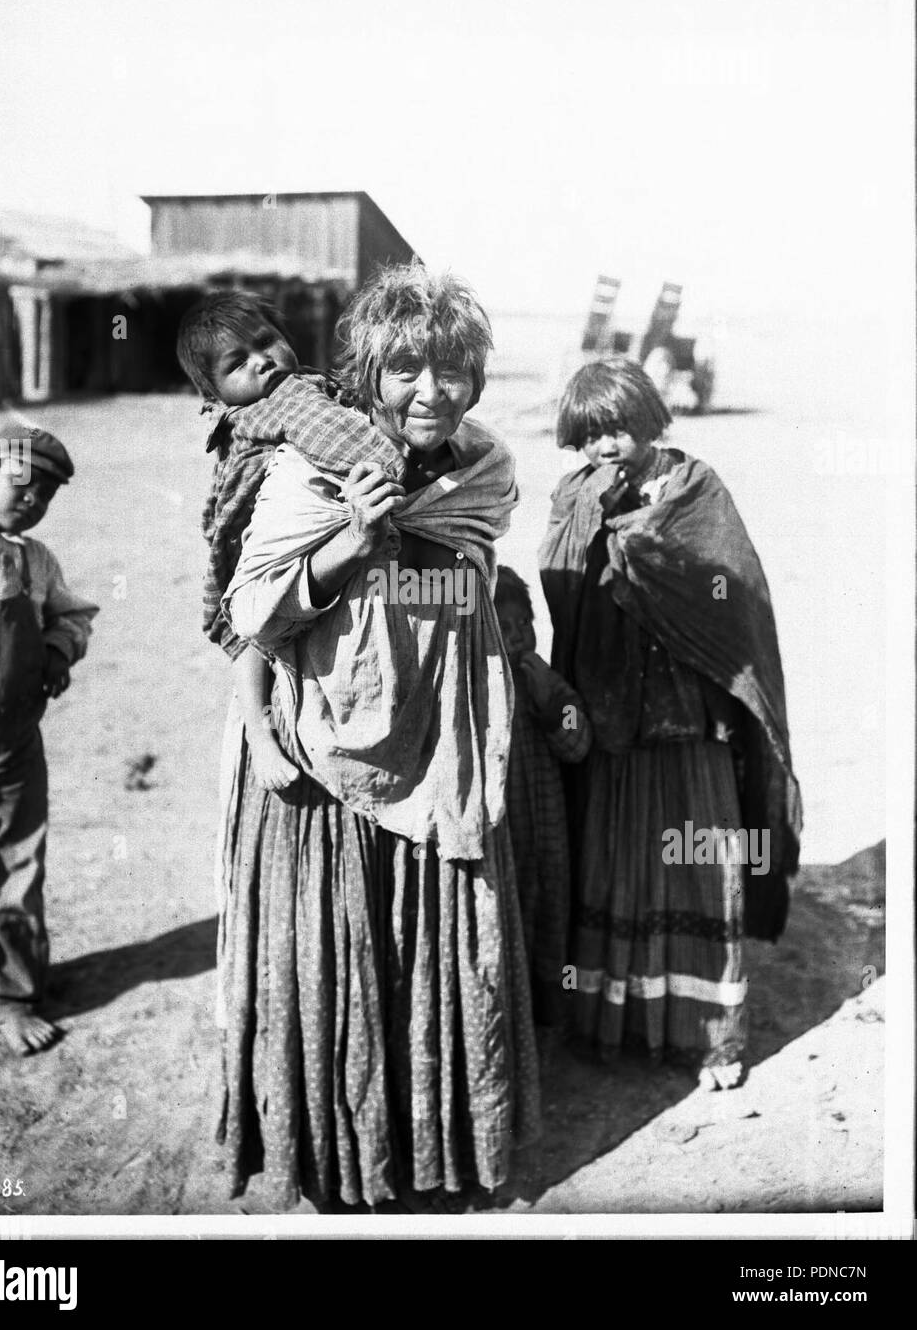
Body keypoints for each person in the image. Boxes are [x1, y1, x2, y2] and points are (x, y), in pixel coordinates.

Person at [217, 262, 540, 1211]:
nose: (429, 392)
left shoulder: (486, 470)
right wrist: (350, 545)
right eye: (404, 371)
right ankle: (341, 1162)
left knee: (436, 950)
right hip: (329, 753)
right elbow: (252, 610)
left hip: (441, 743)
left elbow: (473, 577)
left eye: (448, 371)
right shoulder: (307, 470)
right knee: (339, 949)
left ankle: (438, 1149)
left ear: (474, 378)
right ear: (367, 373)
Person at [539, 358, 801, 1091]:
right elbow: (560, 586)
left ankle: (711, 1037)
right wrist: (595, 523)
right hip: (613, 718)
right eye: (589, 435)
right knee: (615, 862)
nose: (606, 446)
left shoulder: (694, 491)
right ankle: (614, 1024)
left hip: (688, 723)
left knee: (696, 865)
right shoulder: (574, 495)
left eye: (619, 428)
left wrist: (639, 546)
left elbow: (731, 593)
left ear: (652, 420)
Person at [176, 290, 406, 793]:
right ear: (214, 393)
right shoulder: (286, 400)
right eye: (237, 364)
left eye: (266, 342)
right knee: (253, 635)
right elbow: (351, 446)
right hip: (252, 552)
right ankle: (261, 735)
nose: (262, 363)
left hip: (269, 537)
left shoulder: (293, 393)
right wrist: (390, 464)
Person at [0, 423, 98, 1056]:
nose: (32, 500)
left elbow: (71, 615)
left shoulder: (38, 562)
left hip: (13, 733)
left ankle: (12, 995)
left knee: (18, 860)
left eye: (46, 493)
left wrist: (58, 648)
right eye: (22, 482)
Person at [493, 566, 591, 1041]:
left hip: (548, 830)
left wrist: (549, 700)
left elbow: (578, 743)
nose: (517, 638)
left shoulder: (548, 681)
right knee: (511, 923)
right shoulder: (478, 688)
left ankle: (549, 1020)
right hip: (506, 834)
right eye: (503, 627)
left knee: (551, 913)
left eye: (524, 625)